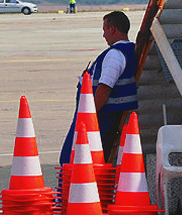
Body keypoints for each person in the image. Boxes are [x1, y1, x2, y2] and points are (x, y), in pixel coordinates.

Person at [59, 10, 137, 165]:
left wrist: (89, 117)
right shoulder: (129, 50)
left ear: (112, 29)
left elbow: (105, 88)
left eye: (104, 30)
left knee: (69, 159)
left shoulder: (114, 55)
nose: (104, 35)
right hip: (102, 117)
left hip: (99, 118)